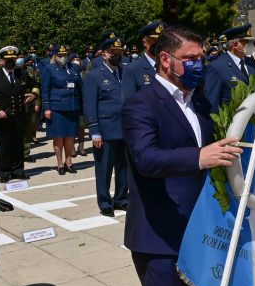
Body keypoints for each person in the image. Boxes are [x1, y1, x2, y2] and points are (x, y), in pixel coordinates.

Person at [123, 24, 245, 286]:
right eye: (190, 59)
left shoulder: (199, 101)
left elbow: (223, 144)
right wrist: (198, 157)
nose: (198, 65)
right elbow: (146, 158)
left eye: (201, 58)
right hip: (158, 228)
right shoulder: (142, 104)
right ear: (165, 59)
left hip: (193, 224)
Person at [84, 34, 128, 216]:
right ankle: (104, 202)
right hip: (105, 130)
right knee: (104, 169)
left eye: (120, 52)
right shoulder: (95, 76)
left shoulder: (124, 73)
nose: (117, 56)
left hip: (124, 129)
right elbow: (89, 105)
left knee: (123, 168)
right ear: (104, 54)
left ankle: (121, 199)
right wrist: (94, 131)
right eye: (113, 53)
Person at [0, 46, 37, 183]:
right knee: (3, 145)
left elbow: (36, 84)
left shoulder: (22, 74)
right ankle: (4, 172)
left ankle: (18, 170)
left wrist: (34, 94)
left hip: (19, 115)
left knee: (18, 144)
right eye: (7, 60)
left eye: (13, 59)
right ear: (2, 61)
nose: (10, 62)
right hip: (3, 117)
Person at [41, 45, 82, 174]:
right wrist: (46, 108)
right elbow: (45, 90)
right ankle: (60, 163)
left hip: (72, 106)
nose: (63, 57)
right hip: (57, 108)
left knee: (70, 136)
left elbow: (80, 87)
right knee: (58, 137)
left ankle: (68, 162)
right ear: (55, 56)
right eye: (60, 55)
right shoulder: (50, 68)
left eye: (65, 55)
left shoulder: (74, 68)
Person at [203, 23, 255, 110]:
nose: (251, 46)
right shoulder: (217, 67)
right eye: (246, 43)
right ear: (235, 45)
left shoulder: (251, 63)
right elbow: (211, 103)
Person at [123, 21, 164, 100]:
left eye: (162, 40)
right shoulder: (132, 69)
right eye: (154, 39)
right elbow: (128, 103)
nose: (159, 44)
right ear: (145, 42)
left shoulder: (171, 66)